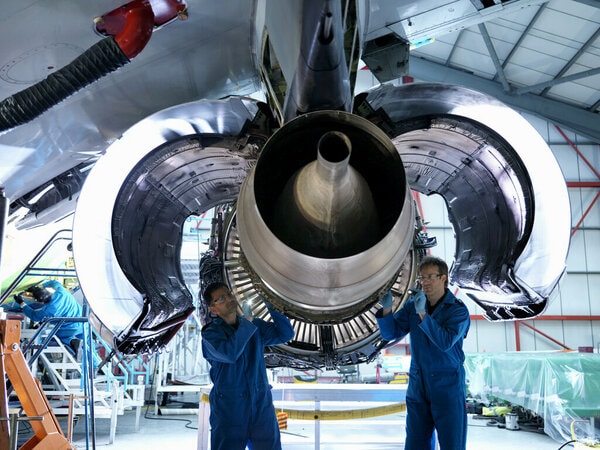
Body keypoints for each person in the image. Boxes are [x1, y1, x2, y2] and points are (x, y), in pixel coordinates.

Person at [376, 256, 471, 450]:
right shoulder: (413, 306)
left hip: (447, 387)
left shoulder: (458, 311)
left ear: (444, 278)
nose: (424, 282)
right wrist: (387, 309)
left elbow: (444, 342)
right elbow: (391, 333)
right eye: (421, 277)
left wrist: (423, 315)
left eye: (430, 277)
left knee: (452, 445)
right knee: (415, 445)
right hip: (419, 386)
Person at [200, 282, 295, 450]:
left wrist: (269, 300)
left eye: (228, 294)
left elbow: (285, 334)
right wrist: (247, 323)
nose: (229, 298)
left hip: (261, 406)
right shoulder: (210, 334)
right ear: (213, 309)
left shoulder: (254, 326)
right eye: (221, 298)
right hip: (230, 410)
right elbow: (230, 353)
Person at [14, 279, 84, 354]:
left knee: (59, 336)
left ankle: (72, 341)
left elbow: (34, 315)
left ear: (40, 301)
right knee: (88, 343)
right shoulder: (62, 292)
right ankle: (96, 364)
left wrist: (21, 303)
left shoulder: (49, 310)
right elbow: (54, 282)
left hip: (71, 328)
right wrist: (39, 287)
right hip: (82, 320)